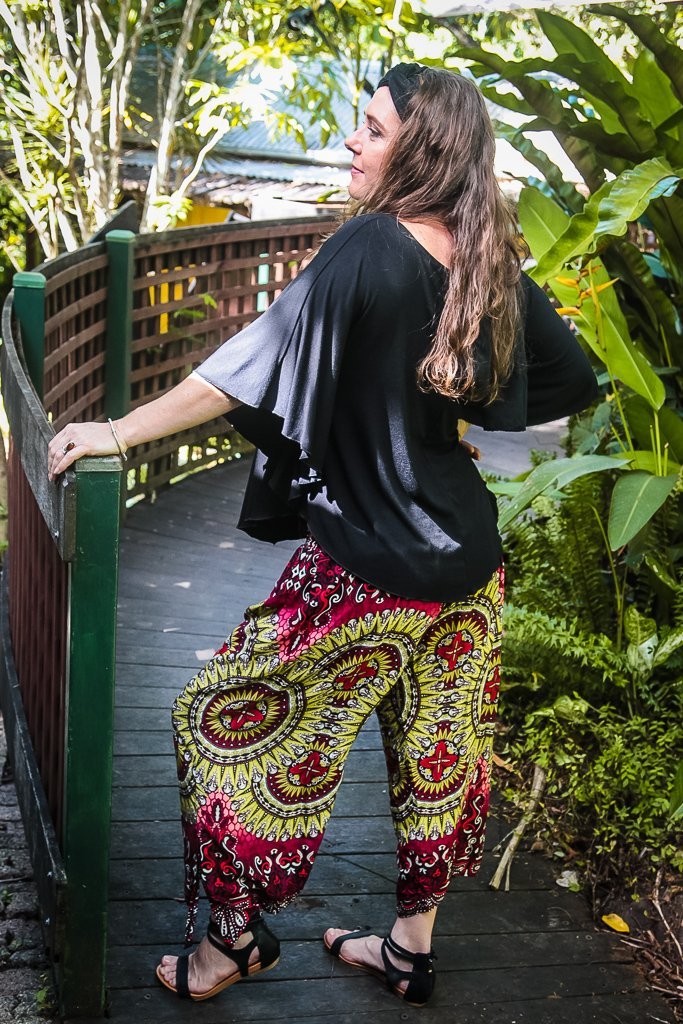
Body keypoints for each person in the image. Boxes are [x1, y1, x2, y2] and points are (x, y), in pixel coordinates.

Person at [47, 63, 598, 1007]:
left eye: (373, 129)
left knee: (214, 717)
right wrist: (449, 408)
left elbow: (245, 365)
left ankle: (229, 944)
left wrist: (118, 431)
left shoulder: (367, 245)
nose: (353, 140)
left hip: (365, 569)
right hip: (468, 566)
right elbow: (568, 376)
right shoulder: (485, 254)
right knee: (437, 758)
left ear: (421, 149)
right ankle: (409, 952)